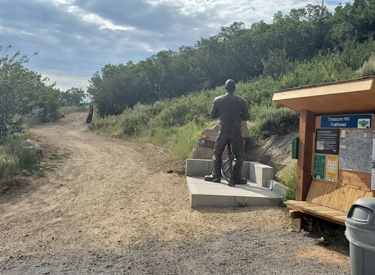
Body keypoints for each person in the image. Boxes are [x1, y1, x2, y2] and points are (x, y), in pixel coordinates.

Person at [204, 79, 250, 186]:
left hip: (223, 131)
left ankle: (216, 175)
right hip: (235, 132)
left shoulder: (218, 100)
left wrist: (222, 113)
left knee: (216, 153)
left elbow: (212, 115)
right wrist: (237, 116)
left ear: (225, 88)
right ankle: (236, 176)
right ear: (234, 88)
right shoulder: (241, 101)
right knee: (239, 155)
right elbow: (246, 117)